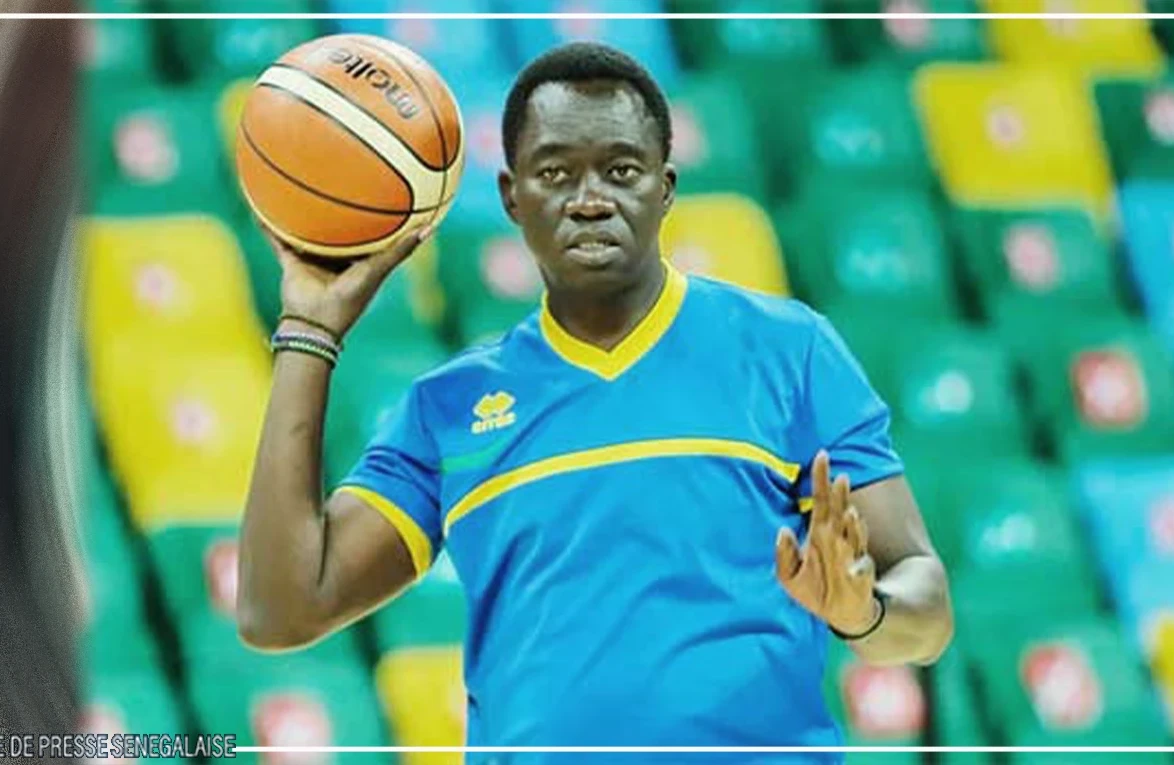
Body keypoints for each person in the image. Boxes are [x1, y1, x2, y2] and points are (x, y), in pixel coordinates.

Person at [236, 41, 953, 760]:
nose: (589, 199)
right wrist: (311, 328)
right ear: (512, 196)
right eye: (555, 173)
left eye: (622, 170)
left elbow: (927, 607)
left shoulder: (790, 351)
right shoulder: (451, 407)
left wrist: (866, 612)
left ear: (664, 188)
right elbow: (281, 610)